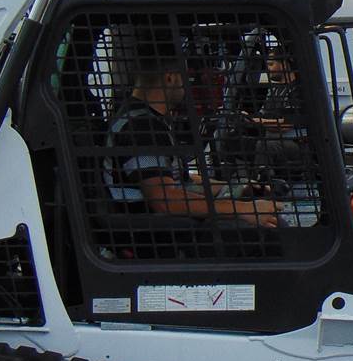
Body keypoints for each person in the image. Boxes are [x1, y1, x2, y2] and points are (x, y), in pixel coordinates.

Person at [104, 51, 282, 228]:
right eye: (184, 79)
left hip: (170, 222)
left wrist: (236, 188)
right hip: (158, 230)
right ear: (170, 78)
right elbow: (164, 200)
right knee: (267, 226)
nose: (186, 87)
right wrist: (244, 210)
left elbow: (182, 180)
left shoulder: (147, 119)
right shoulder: (141, 127)